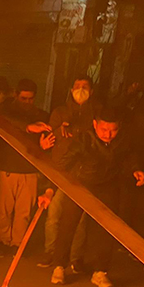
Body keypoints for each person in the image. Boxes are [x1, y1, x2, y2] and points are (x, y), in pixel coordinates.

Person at [50, 105, 144, 287]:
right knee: (68, 225)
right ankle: (59, 267)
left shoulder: (123, 141)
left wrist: (136, 170)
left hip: (108, 187)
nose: (108, 134)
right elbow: (64, 164)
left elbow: (129, 158)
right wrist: (52, 186)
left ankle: (100, 271)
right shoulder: (84, 140)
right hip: (80, 185)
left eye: (113, 130)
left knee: (105, 230)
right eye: (104, 129)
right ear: (95, 125)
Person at [39, 76, 95, 267]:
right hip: (59, 170)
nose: (81, 90)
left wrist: (76, 129)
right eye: (77, 86)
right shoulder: (60, 112)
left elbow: (95, 138)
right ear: (71, 90)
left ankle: (74, 257)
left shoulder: (95, 114)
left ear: (91, 91)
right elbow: (49, 138)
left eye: (85, 87)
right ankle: (51, 252)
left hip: (81, 173)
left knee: (78, 220)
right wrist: (58, 131)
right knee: (53, 215)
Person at [0, 78, 54, 254]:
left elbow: (45, 145)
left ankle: (17, 245)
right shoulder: (6, 112)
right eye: (23, 98)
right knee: (4, 210)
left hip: (29, 170)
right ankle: (3, 241)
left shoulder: (41, 116)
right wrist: (28, 128)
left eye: (30, 99)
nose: (27, 102)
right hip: (7, 168)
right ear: (16, 95)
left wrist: (42, 148)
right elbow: (6, 123)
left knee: (23, 212)